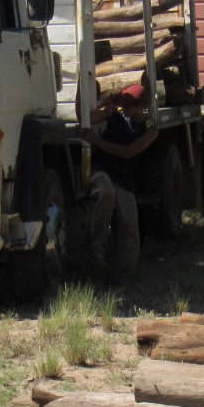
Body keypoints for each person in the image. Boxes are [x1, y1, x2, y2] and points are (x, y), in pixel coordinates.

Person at [83, 83, 157, 272]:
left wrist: (96, 141)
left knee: (130, 224)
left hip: (124, 179)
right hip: (102, 170)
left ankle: (125, 272)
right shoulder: (116, 113)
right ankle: (96, 253)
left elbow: (128, 152)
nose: (124, 109)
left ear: (141, 107)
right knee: (105, 192)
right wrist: (105, 105)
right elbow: (90, 117)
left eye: (129, 106)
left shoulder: (150, 129)